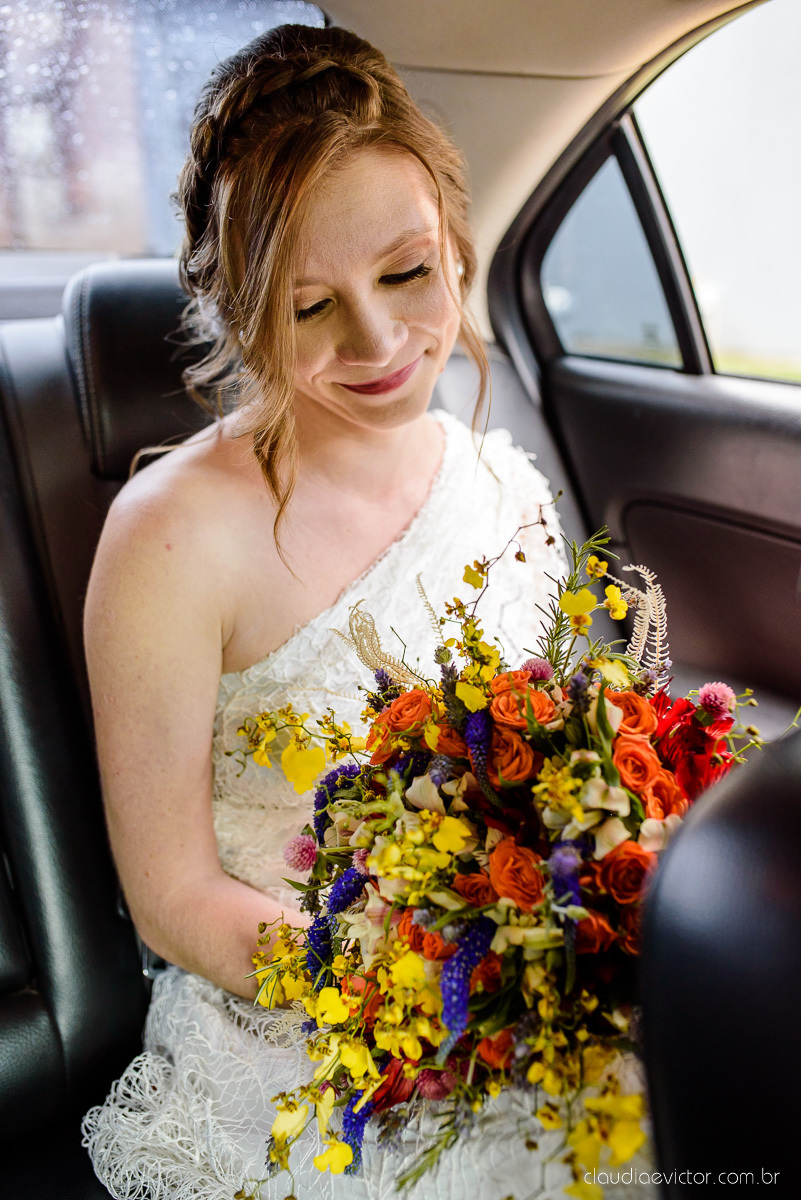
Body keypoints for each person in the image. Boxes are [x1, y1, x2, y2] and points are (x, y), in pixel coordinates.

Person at [81, 23, 652, 1200]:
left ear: (454, 241)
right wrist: (396, 979)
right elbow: (170, 895)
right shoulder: (167, 539)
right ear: (244, 315)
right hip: (296, 1014)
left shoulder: (503, 483)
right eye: (309, 309)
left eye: (406, 273)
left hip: (519, 970)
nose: (383, 341)